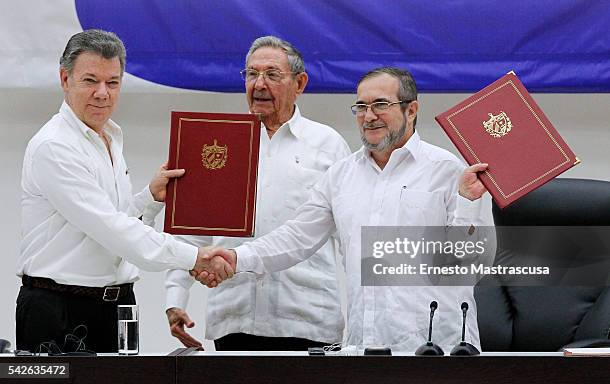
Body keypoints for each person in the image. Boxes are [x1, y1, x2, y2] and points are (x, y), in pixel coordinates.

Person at [198, 67, 492, 352]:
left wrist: (468, 203)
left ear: (411, 110)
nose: (369, 116)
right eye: (361, 107)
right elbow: (296, 237)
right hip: (365, 347)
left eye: (380, 105)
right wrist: (236, 257)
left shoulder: (448, 170)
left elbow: (472, 262)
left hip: (438, 348)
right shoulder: (341, 176)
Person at [16, 29, 231, 353]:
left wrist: (151, 198)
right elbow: (113, 230)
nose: (103, 93)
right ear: (65, 79)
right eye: (90, 80)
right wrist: (194, 257)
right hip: (58, 310)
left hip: (115, 307)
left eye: (113, 82)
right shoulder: (55, 146)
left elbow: (113, 227)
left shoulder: (110, 137)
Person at [163, 36, 350, 351]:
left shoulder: (328, 146)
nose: (259, 84)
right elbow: (190, 231)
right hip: (234, 317)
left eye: (272, 75)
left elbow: (348, 235)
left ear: (300, 83)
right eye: (251, 74)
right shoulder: (216, 144)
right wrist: (175, 298)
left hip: (308, 321)